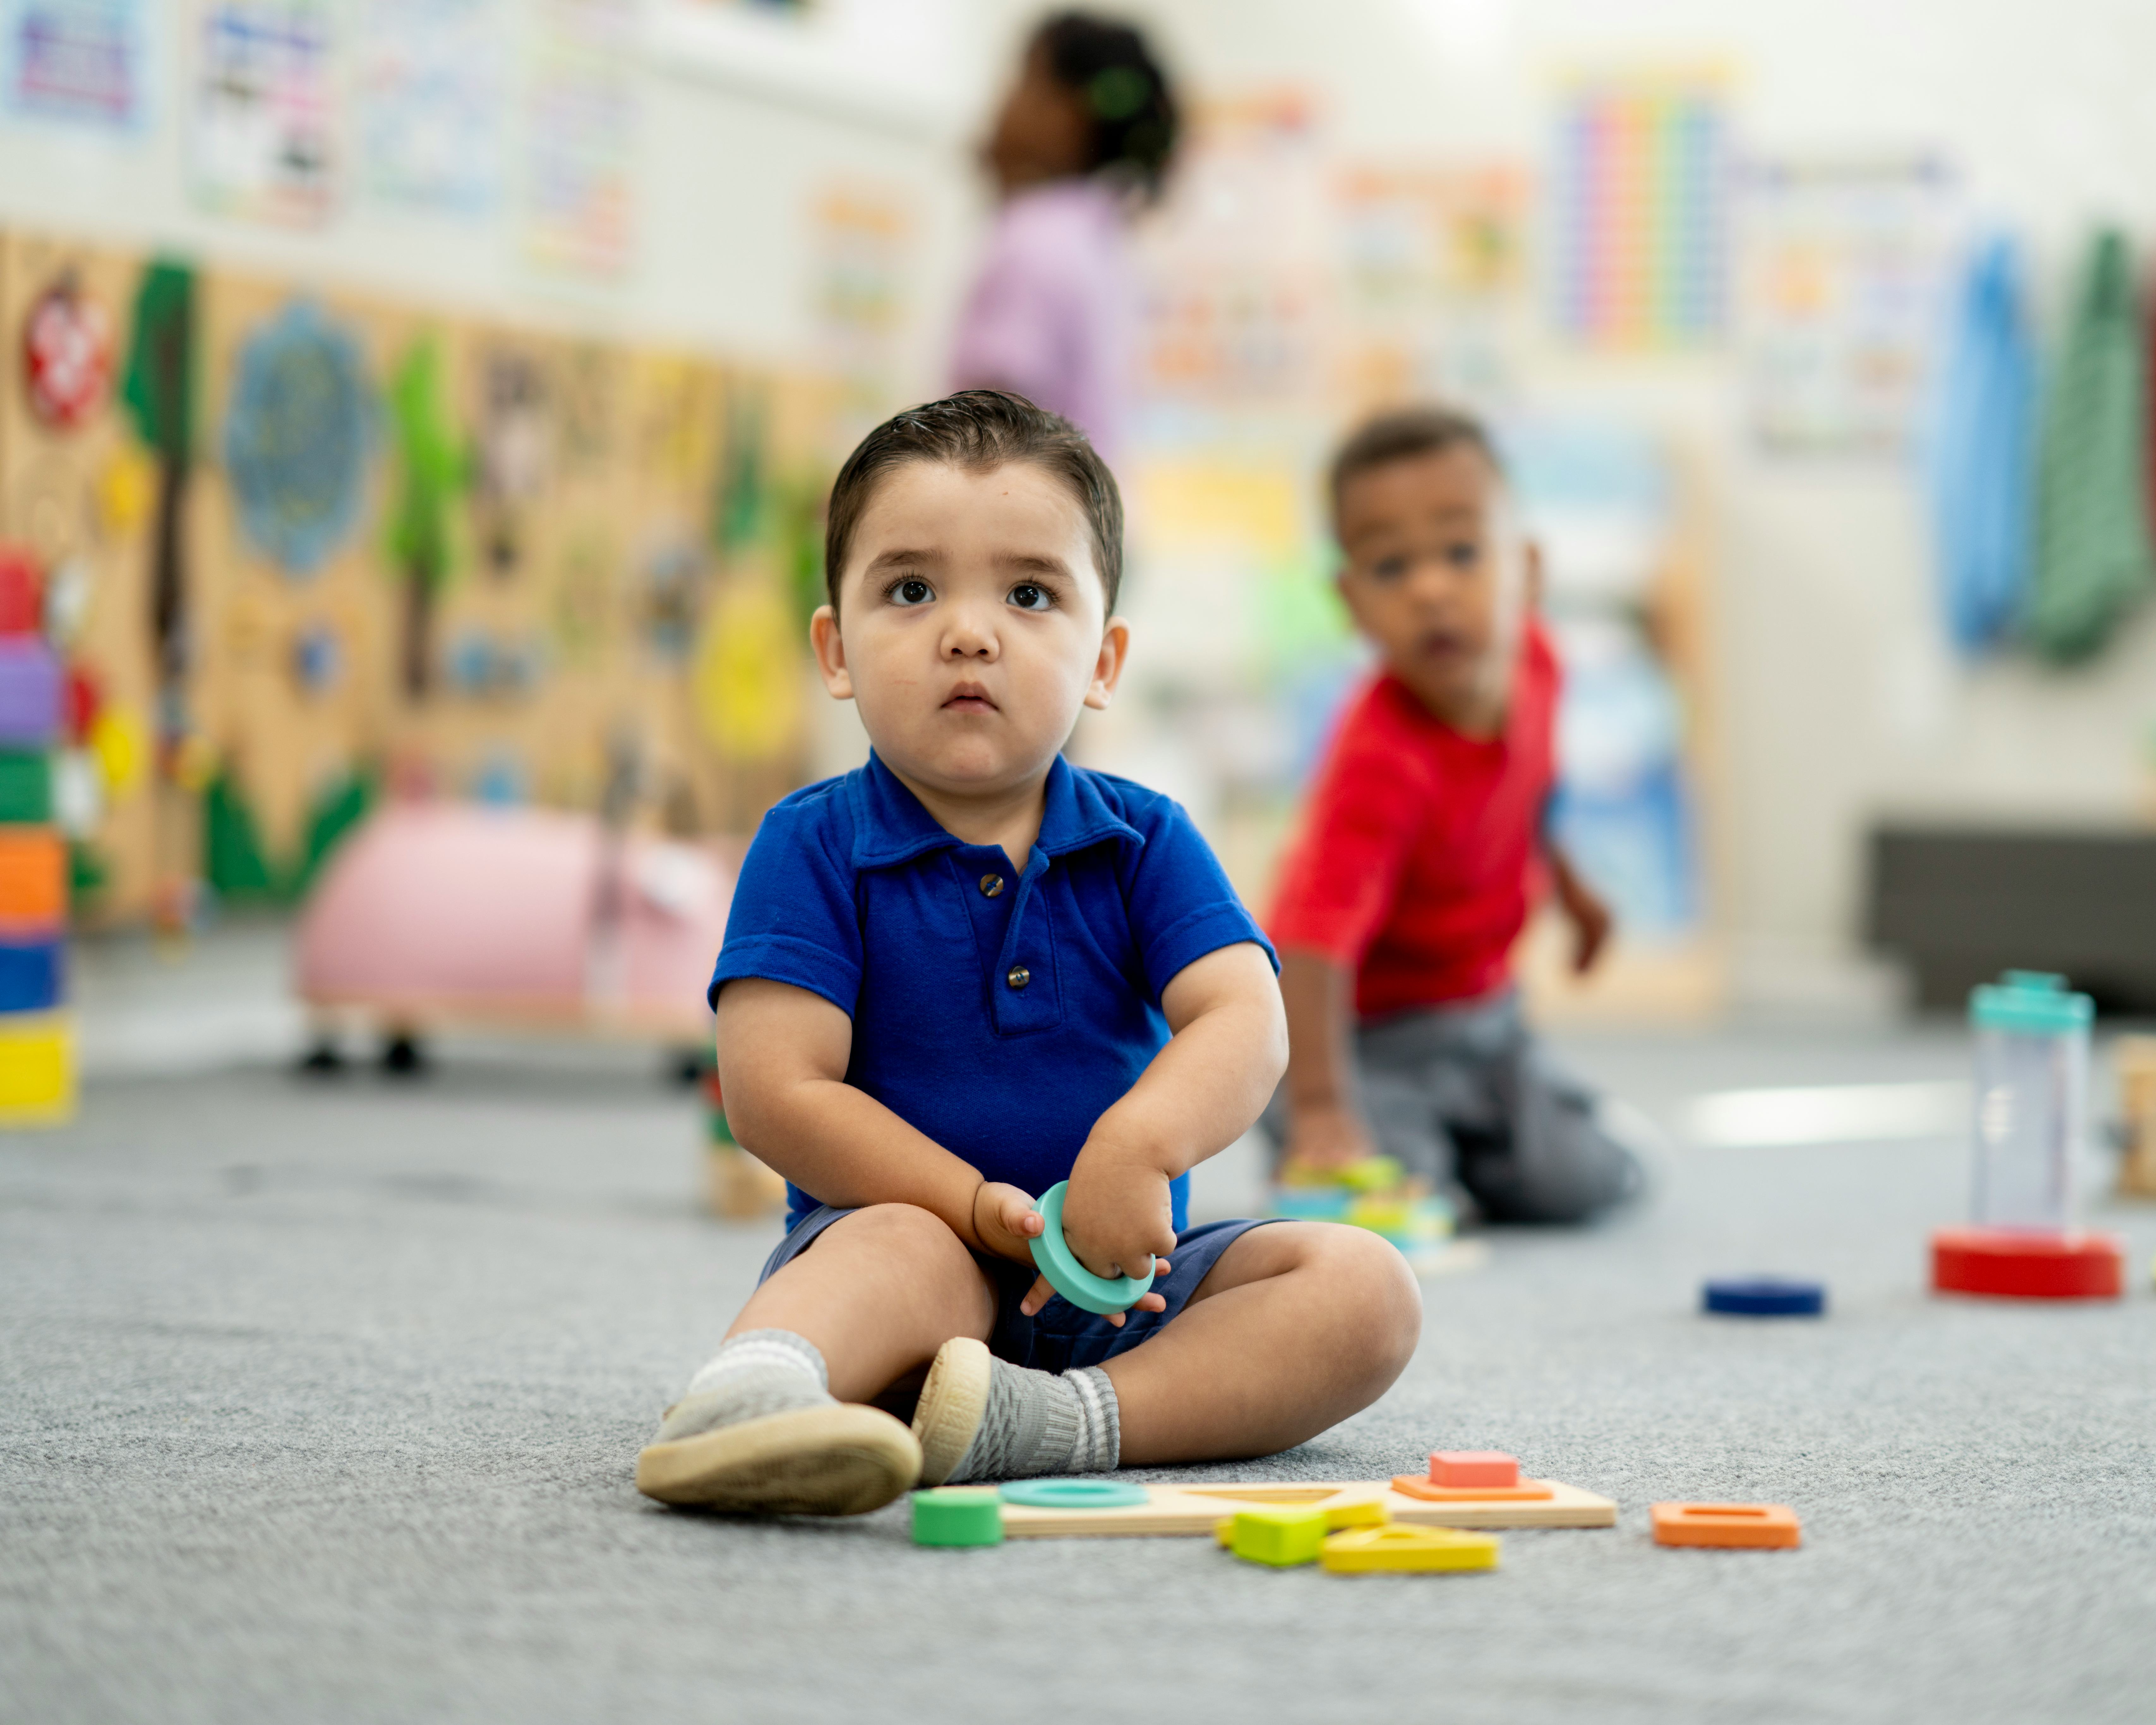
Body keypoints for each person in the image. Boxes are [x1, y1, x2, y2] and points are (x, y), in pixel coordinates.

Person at [635, 392, 1420, 1517]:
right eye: (910, 590)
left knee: (1364, 1290)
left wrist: (1139, 1147)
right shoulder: (810, 843)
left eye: (1028, 594)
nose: (968, 631)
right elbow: (774, 1093)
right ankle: (752, 1396)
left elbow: (1247, 1017)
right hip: (906, 1266)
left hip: (1119, 1289)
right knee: (896, 1252)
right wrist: (965, 1206)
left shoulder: (1145, 836)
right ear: (836, 648)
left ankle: (1059, 1422)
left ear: (1102, 660)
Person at [1266, 407, 1643, 1226]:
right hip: (1373, 1039)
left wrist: (1574, 892)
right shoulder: (1381, 760)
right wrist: (1327, 1105)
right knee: (1402, 1202)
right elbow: (1308, 940)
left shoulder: (1540, 665)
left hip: (1489, 1019)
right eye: (1392, 566)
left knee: (1585, 1181)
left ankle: (1501, 1130)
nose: (1432, 588)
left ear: (1529, 571)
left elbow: (1528, 792)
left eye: (1463, 552)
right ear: (1352, 601)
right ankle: (1300, 1116)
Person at [949, 12, 1178, 457]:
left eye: (1023, 82)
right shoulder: (1099, 235)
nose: (1001, 105)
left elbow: (991, 427)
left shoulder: (1036, 237)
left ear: (1067, 117)